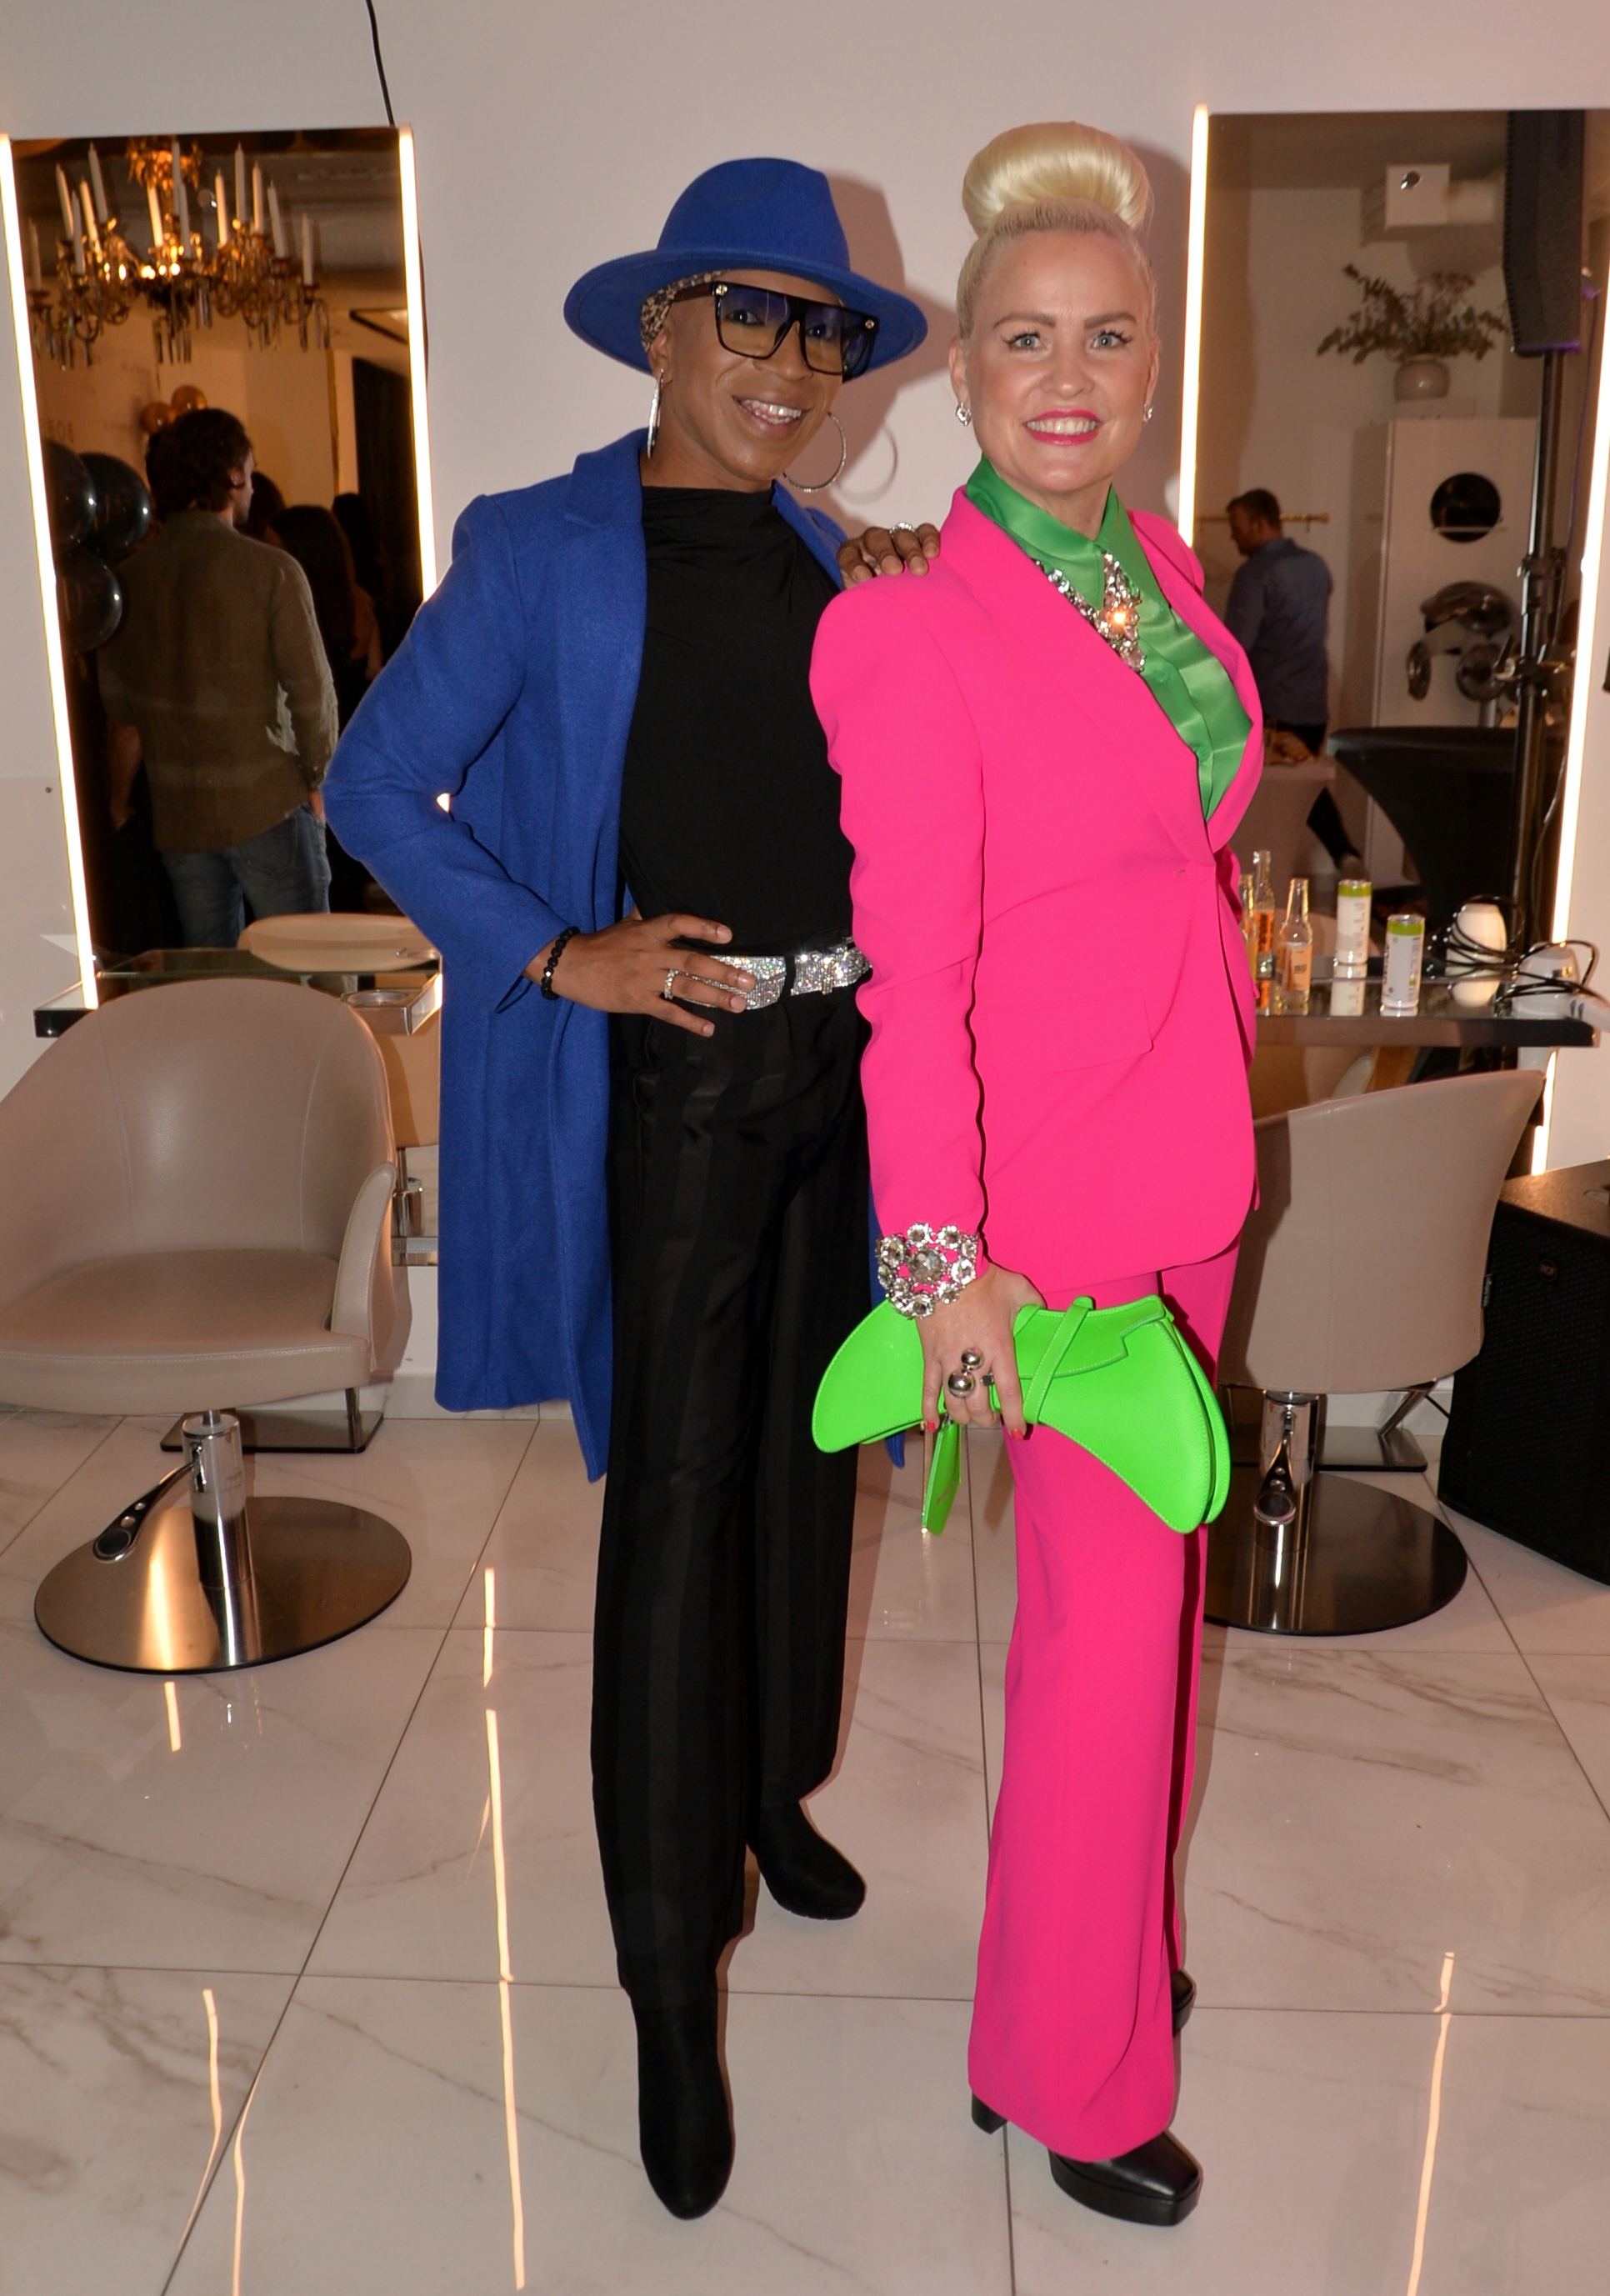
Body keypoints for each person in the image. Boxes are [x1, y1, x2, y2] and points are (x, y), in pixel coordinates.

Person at [322, 158, 928, 2221]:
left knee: (809, 1468)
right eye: (747, 314)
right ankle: (672, 1973)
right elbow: (372, 783)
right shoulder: (540, 546)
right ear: (662, 329)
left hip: (851, 1076)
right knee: (676, 1515)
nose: (789, 362)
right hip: (676, 1081)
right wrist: (556, 951)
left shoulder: (842, 556)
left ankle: (770, 1793)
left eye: (821, 329)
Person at [812, 120, 1261, 2229]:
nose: (1066, 377)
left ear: (1155, 360)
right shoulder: (908, 633)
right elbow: (909, 987)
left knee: (1157, 1615)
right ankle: (1070, 2071)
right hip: (1048, 1222)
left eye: (1107, 336)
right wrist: (941, 1268)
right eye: (1023, 339)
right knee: (1099, 1649)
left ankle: (1093, 1962)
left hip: (1195, 1170)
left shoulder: (1163, 577)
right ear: (964, 367)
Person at [98, 409, 336, 947]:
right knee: (308, 970)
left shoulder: (127, 584)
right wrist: (319, 781)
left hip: (180, 817)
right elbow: (311, 693)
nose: (252, 481)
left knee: (213, 977)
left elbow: (124, 721)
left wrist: (118, 801)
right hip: (268, 803)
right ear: (231, 474)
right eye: (249, 469)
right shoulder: (271, 570)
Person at [1224, 488, 1357, 867]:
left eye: (1237, 528)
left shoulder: (1255, 574)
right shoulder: (1316, 566)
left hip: (1270, 706)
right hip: (1312, 703)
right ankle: (1344, 855)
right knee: (1303, 790)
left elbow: (1236, 646)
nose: (1233, 536)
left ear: (1259, 524)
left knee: (1269, 798)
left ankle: (1267, 876)